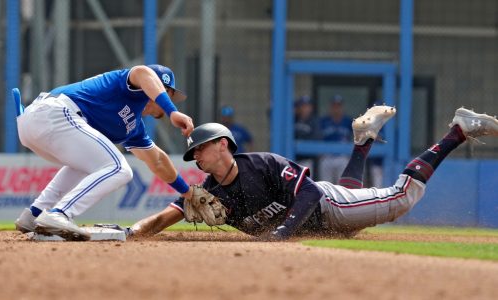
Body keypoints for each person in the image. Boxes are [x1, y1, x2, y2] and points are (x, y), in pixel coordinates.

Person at [125, 105, 498, 240]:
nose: (196, 158)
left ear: (222, 144)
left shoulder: (263, 164)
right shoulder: (208, 190)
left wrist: (284, 232)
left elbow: (310, 195)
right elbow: (169, 214)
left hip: (325, 205)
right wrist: (133, 233)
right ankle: (363, 140)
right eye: (192, 155)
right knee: (353, 224)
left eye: (200, 149)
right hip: (315, 223)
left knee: (401, 199)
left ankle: (458, 130)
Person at [14, 64, 195, 240]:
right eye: (169, 95)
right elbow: (143, 72)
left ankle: (33, 214)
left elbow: (157, 160)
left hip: (40, 125)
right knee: (119, 169)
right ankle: (59, 213)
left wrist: (188, 194)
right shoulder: (128, 85)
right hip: (53, 113)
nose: (169, 101)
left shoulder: (134, 127)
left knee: (89, 165)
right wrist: (172, 112)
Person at [318, 95, 353, 184]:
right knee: (325, 186)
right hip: (327, 157)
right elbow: (318, 137)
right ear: (330, 107)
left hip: (342, 157)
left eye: (338, 106)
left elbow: (355, 138)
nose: (336, 108)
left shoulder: (348, 121)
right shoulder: (323, 121)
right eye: (334, 106)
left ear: (342, 107)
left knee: (342, 187)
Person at [294, 95, 321, 170]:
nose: (305, 109)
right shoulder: (293, 119)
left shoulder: (314, 122)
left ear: (311, 108)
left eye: (307, 106)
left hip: (307, 159)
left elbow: (316, 138)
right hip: (292, 157)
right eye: (303, 106)